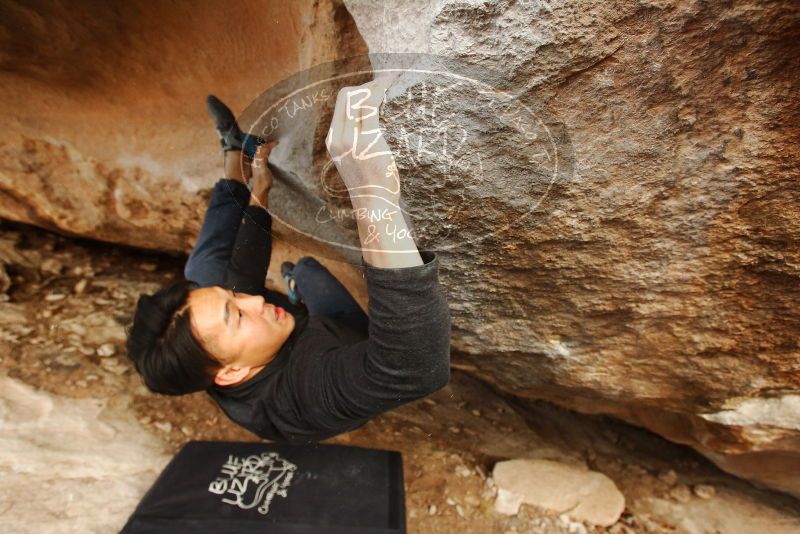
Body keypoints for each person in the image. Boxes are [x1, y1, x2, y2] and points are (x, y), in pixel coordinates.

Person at [126, 78, 451, 444]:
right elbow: (414, 369)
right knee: (307, 270)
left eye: (233, 299)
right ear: (231, 374)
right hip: (338, 337)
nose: (256, 300)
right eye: (236, 315)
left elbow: (244, 275)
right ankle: (296, 286)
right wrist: (372, 199)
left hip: (274, 338)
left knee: (203, 271)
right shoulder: (301, 395)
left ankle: (235, 158)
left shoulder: (219, 348)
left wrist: (261, 190)